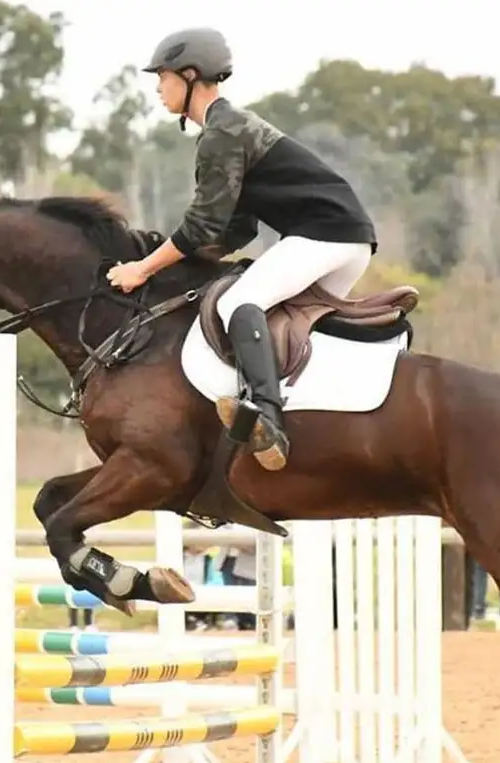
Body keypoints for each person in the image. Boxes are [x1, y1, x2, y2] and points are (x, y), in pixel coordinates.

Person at [106, 27, 378, 472]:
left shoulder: (221, 133)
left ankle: (267, 417)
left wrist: (145, 268)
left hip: (326, 235)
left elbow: (203, 224)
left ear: (190, 76)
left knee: (239, 301)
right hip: (344, 238)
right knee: (279, 326)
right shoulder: (228, 128)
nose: (158, 86)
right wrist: (182, 261)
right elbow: (237, 227)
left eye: (164, 76)